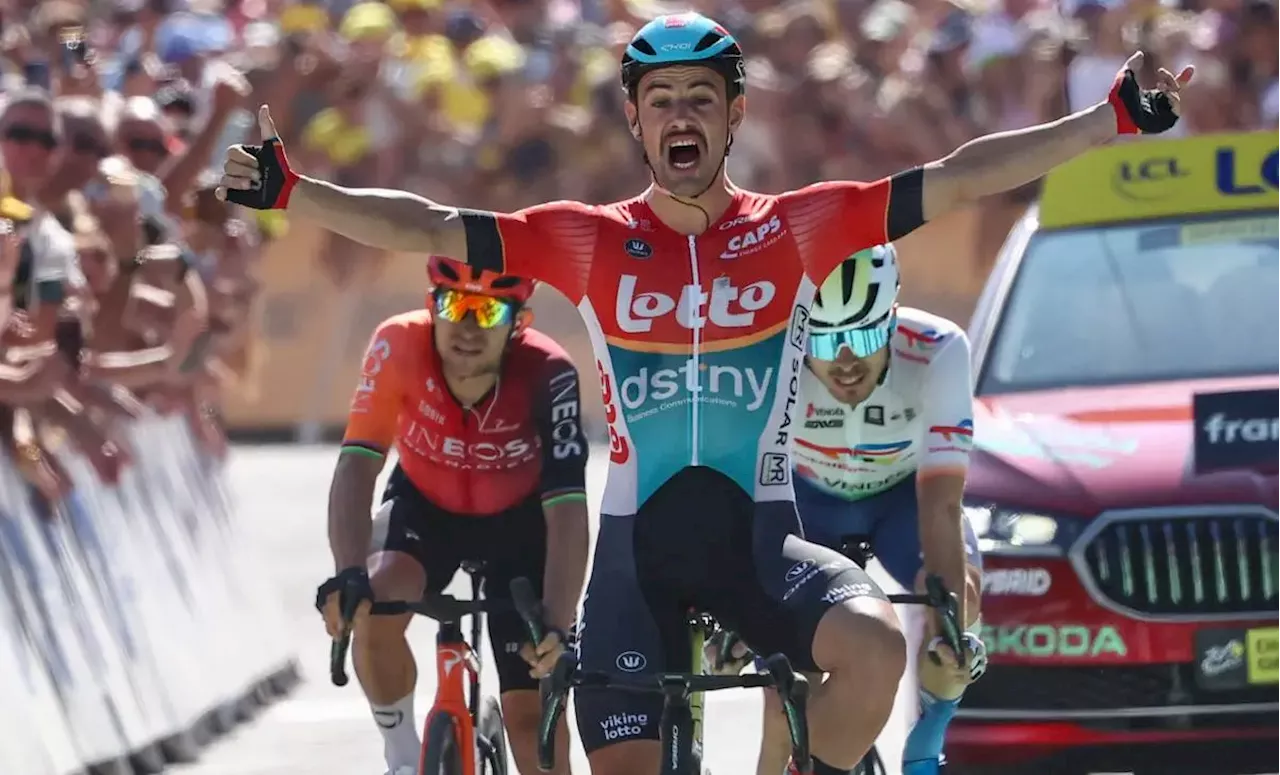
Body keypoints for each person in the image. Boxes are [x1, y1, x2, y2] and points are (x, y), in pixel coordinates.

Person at [218, 12, 1190, 774]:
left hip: (759, 546)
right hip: (634, 563)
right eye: (660, 100)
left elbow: (958, 176)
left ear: (732, 116)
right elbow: (426, 220)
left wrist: (1102, 120)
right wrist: (295, 192)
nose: (680, 116)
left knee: (872, 649)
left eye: (700, 99)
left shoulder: (799, 228)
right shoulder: (584, 236)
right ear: (634, 121)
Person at [317, 256, 589, 775]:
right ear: (431, 308)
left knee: (533, 730)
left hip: (520, 524)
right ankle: (400, 758)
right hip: (426, 507)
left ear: (518, 325)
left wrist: (558, 620)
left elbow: (568, 509)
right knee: (372, 601)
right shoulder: (397, 344)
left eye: (486, 313)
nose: (466, 327)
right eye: (453, 305)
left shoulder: (549, 372)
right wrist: (348, 571)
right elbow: (356, 463)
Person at [749, 245, 988, 775]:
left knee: (956, 598)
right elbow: (744, 487)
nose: (845, 362)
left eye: (862, 336)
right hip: (806, 500)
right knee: (782, 675)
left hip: (904, 499)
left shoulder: (939, 348)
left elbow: (943, 502)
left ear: (894, 319)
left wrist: (947, 618)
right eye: (826, 340)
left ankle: (927, 739)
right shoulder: (770, 351)